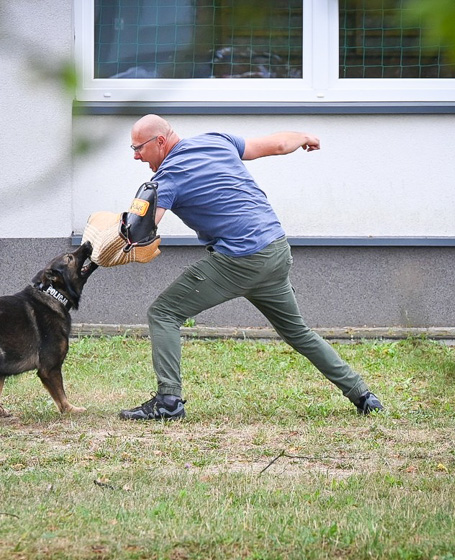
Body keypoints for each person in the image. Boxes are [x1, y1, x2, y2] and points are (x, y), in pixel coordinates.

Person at [118, 114, 384, 421]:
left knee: (163, 313)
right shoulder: (216, 140)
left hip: (238, 260)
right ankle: (363, 396)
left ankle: (168, 402)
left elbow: (139, 233)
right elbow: (280, 144)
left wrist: (110, 241)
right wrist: (305, 136)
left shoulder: (169, 177)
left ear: (160, 141)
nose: (136, 156)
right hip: (275, 249)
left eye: (138, 148)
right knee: (298, 332)